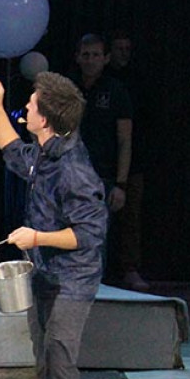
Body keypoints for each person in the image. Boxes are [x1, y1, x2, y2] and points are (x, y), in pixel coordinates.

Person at [0, 72, 107, 379]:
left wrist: (37, 238)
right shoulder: (44, 152)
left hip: (74, 277)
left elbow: (88, 234)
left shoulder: (74, 169)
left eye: (31, 105)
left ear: (48, 118)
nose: (26, 110)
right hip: (46, 274)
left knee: (60, 363)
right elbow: (13, 155)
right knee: (46, 365)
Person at [71, 32, 133, 279]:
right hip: (69, 175)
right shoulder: (67, 89)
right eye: (85, 55)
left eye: (96, 55)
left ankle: (97, 291)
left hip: (102, 177)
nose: (90, 60)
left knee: (97, 239)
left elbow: (125, 140)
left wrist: (120, 184)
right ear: (77, 58)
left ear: (106, 58)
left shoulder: (116, 91)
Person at [104, 30, 150, 291]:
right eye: (118, 49)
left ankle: (129, 268)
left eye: (127, 49)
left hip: (131, 161)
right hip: (100, 162)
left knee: (130, 218)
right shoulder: (100, 82)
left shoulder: (135, 83)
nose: (123, 54)